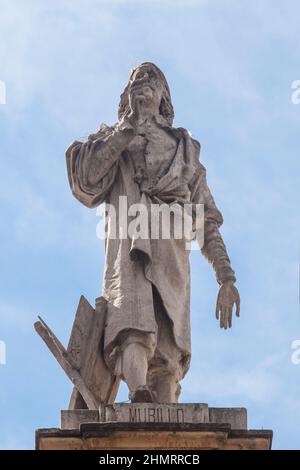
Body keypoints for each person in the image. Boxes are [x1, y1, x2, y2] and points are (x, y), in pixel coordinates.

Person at [66, 62, 240, 403]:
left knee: (168, 347)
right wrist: (127, 128)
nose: (142, 81)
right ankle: (137, 391)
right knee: (132, 321)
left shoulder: (186, 149)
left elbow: (205, 220)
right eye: (136, 78)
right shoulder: (111, 138)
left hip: (172, 253)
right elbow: (86, 181)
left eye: (152, 77)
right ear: (126, 95)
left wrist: (226, 277)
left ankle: (164, 410)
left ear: (164, 98)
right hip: (130, 245)